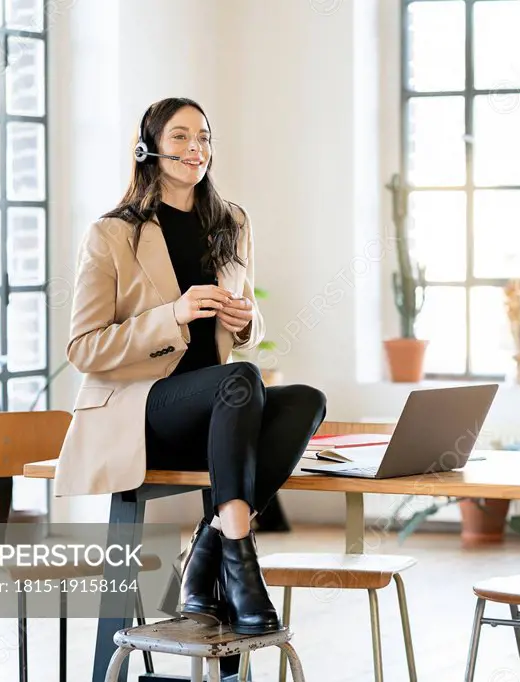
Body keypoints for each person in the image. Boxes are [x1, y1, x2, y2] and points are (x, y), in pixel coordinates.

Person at [54, 97, 327, 634]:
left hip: (217, 407)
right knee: (241, 380)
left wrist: (247, 319)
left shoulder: (231, 222)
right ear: (149, 147)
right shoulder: (111, 234)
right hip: (142, 412)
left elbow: (245, 328)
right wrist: (170, 316)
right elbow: (84, 347)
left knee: (305, 400)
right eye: (180, 136)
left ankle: (207, 548)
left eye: (203, 136)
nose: (194, 148)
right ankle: (240, 565)